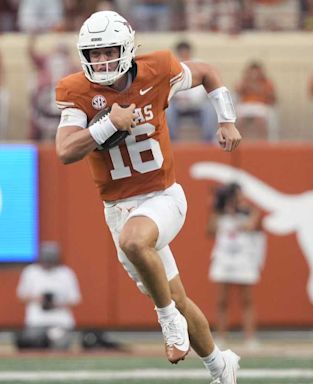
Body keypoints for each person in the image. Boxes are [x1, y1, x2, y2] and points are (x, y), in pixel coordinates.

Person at [54, 10, 242, 383]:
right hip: (118, 208)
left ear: (125, 49)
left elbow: (205, 72)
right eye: (94, 54)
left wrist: (226, 118)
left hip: (163, 196)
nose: (101, 61)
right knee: (180, 298)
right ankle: (222, 368)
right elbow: (65, 150)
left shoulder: (156, 70)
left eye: (108, 52)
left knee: (136, 242)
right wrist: (109, 123)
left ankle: (167, 320)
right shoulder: (76, 91)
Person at [207, 183, 266, 348]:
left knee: (247, 300)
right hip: (224, 258)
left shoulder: (249, 211)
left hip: (243, 258)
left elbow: (251, 225)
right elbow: (210, 230)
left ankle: (250, 338)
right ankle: (221, 337)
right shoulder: (220, 213)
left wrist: (238, 212)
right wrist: (220, 209)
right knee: (222, 301)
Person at [15, 242, 81, 350]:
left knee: (61, 344)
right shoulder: (30, 272)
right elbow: (21, 296)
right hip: (36, 322)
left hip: (61, 322)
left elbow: (75, 300)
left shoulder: (66, 273)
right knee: (30, 342)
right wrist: (38, 299)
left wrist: (57, 303)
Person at [165, 40, 217, 142]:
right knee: (167, 111)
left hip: (196, 104)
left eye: (186, 52)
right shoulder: (171, 66)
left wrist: (191, 99)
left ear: (190, 52)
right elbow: (167, 88)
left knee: (209, 109)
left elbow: (202, 88)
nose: (184, 55)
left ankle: (209, 140)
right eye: (181, 53)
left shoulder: (199, 65)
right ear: (178, 53)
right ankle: (171, 141)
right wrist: (178, 98)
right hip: (177, 104)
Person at [28, 34, 77, 140]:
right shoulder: (46, 60)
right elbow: (31, 55)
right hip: (42, 100)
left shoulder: (72, 66)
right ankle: (33, 143)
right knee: (33, 116)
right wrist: (32, 39)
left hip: (64, 103)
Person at [235, 61, 278, 141]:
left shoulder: (267, 82)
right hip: (245, 106)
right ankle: (239, 141)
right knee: (240, 120)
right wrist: (248, 85)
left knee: (260, 120)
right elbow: (237, 90)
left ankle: (262, 142)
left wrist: (260, 89)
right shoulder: (244, 81)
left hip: (261, 106)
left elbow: (273, 98)